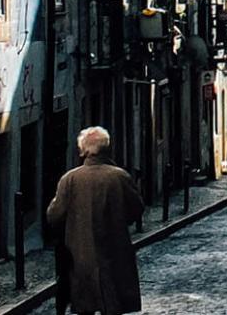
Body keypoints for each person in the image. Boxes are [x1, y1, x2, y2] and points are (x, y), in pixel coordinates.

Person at [46, 126, 143, 315]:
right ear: (107, 147)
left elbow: (53, 216)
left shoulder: (70, 179)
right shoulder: (120, 177)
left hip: (80, 258)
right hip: (116, 256)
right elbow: (137, 210)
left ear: (83, 150)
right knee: (113, 305)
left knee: (85, 306)